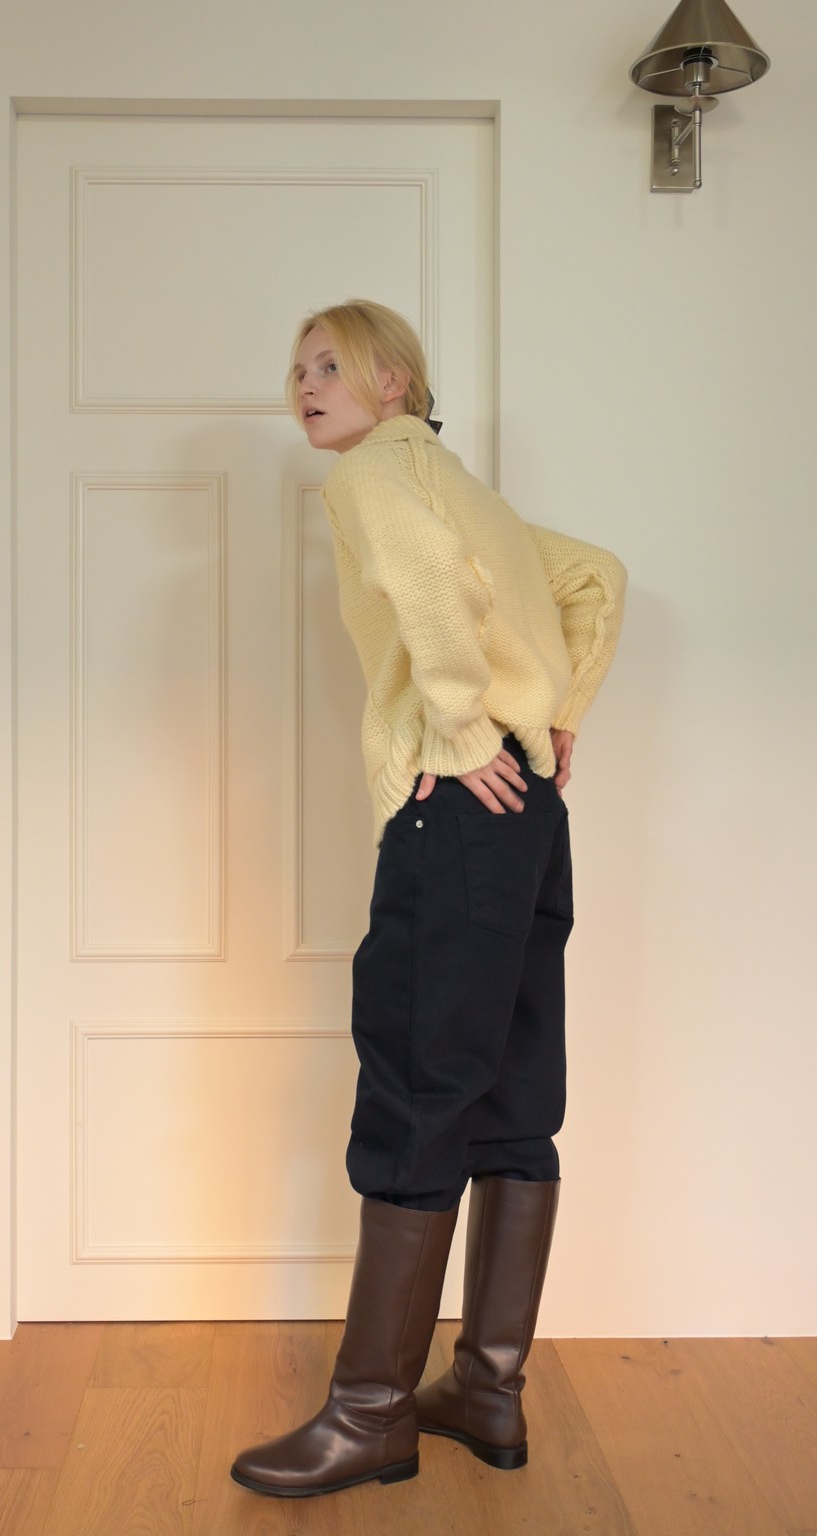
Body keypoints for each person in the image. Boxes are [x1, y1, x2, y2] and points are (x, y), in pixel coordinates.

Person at [231, 300, 626, 1499]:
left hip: (454, 809)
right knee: (512, 1092)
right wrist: (556, 714)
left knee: (413, 1083)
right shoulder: (465, 493)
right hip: (531, 819)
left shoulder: (375, 475)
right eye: (297, 369)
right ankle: (486, 1388)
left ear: (394, 382)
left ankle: (370, 1416)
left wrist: (456, 727)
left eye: (330, 365)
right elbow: (594, 577)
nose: (305, 385)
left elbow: (427, 590)